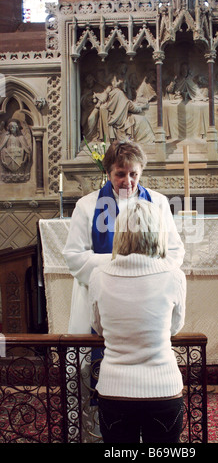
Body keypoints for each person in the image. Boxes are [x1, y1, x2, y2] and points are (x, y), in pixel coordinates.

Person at [88, 199, 186, 443]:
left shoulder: (98, 275)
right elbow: (175, 327)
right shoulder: (174, 275)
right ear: (158, 231)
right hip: (163, 387)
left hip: (114, 389)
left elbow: (98, 328)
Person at [63, 139, 185, 334]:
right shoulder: (87, 205)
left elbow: (174, 251)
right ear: (108, 173)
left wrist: (145, 270)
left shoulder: (158, 203)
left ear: (141, 172)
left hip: (148, 296)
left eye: (133, 174)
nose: (128, 181)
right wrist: (122, 265)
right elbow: (74, 256)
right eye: (120, 174)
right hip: (102, 295)